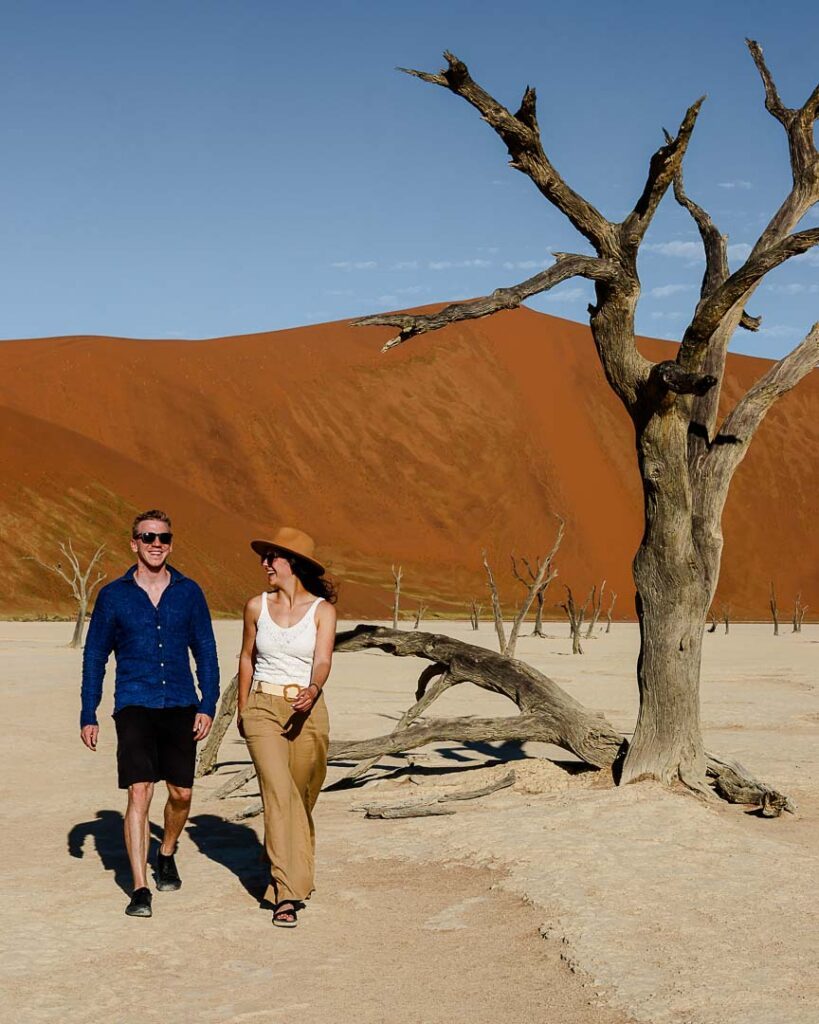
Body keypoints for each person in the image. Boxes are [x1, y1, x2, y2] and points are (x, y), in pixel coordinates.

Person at [80, 510, 220, 918]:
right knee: (139, 791)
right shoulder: (114, 595)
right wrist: (89, 710)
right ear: (134, 543)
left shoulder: (189, 592)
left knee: (182, 793)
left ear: (171, 543)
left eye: (162, 537)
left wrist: (207, 703)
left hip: (180, 702)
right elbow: (95, 656)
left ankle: (167, 850)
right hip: (135, 703)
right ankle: (141, 888)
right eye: (147, 537)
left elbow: (206, 652)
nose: (155, 543)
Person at [238, 526, 337, 927]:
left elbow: (324, 660)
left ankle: (284, 857)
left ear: (291, 564)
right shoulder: (255, 607)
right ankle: (286, 892)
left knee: (301, 795)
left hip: (307, 709)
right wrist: (244, 709)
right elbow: (245, 657)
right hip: (263, 707)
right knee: (279, 794)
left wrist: (313, 689)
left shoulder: (322, 612)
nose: (265, 565)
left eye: (272, 558)